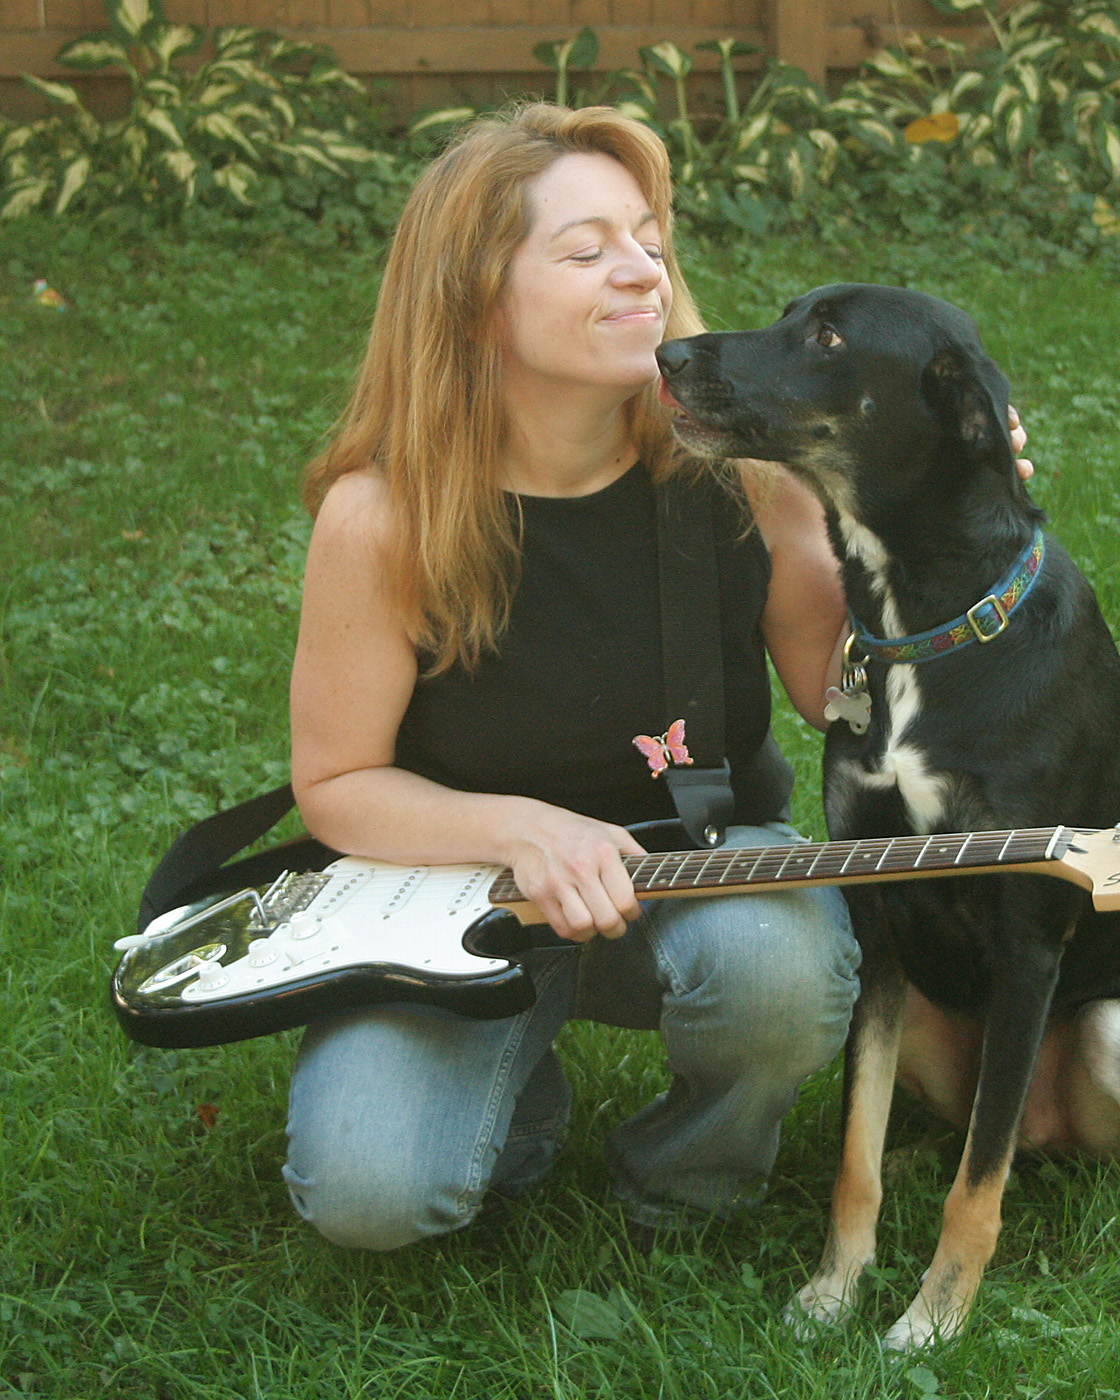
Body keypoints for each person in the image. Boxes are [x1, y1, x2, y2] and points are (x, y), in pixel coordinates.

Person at [282, 103, 1032, 1250]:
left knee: (776, 961)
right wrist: (522, 827)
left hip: (695, 866)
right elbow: (336, 781)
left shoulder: (744, 474)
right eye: (584, 251)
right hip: (461, 895)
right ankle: (514, 1100)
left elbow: (844, 694)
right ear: (474, 299)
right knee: (370, 1195)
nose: (640, 272)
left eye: (647, 239)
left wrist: (938, 519)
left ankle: (688, 1182)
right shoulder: (381, 518)